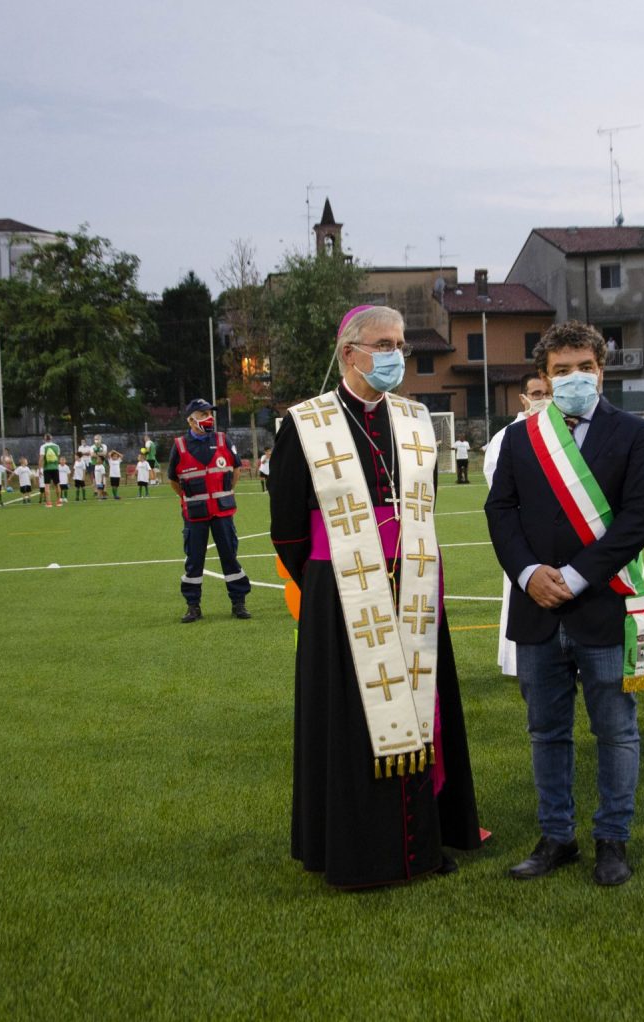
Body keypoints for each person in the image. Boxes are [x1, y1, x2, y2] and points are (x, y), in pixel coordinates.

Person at [269, 304, 481, 888]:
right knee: (353, 722)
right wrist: (331, 576)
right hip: (340, 593)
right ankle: (361, 850)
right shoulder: (304, 422)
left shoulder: (415, 420)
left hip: (413, 584)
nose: (395, 355)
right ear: (349, 353)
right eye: (383, 344)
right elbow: (286, 527)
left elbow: (426, 503)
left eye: (401, 345)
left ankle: (423, 845)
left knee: (421, 709)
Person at [486, 321, 644, 886]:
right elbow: (501, 512)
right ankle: (556, 836)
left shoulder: (635, 433)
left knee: (615, 729)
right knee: (546, 731)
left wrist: (577, 575)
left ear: (601, 370)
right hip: (536, 607)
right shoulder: (519, 438)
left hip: (605, 605)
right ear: (544, 377)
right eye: (561, 371)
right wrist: (527, 572)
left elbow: (641, 516)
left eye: (584, 367)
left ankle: (613, 838)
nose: (574, 378)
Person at [483, 371, 552, 677]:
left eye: (547, 392)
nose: (542, 399)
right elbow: (497, 486)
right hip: (524, 533)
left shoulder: (570, 429)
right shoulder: (507, 436)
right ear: (524, 398)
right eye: (536, 394)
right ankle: (517, 662)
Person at [169, 398, 252, 622]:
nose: (208, 418)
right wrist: (192, 499)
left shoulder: (223, 440)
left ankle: (238, 603)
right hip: (195, 515)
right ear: (191, 420)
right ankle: (193, 606)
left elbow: (235, 470)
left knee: (229, 557)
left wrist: (223, 493)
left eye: (209, 414)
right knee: (194, 561)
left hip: (222, 513)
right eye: (203, 414)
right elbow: (174, 481)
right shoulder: (179, 446)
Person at [39, 433, 62, 507]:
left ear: (45, 439)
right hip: (55, 468)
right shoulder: (57, 446)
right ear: (51, 438)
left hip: (47, 468)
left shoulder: (43, 447)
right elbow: (57, 457)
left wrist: (39, 469)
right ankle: (58, 501)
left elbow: (41, 458)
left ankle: (49, 503)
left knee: (47, 485)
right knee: (57, 484)